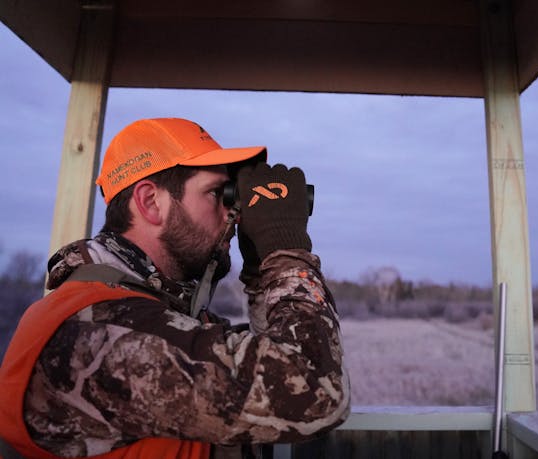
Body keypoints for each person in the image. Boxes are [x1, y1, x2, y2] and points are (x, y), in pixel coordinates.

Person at [0, 118, 350, 458]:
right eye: (218, 194)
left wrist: (260, 265)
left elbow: (270, 353)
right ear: (151, 202)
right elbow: (313, 388)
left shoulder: (157, 313)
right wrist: (282, 248)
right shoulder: (99, 331)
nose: (234, 213)